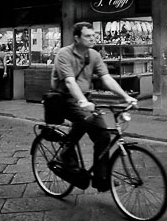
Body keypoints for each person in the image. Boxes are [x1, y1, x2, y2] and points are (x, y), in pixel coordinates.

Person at [51, 22, 137, 192]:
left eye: (93, 35)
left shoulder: (94, 55)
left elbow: (107, 78)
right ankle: (65, 153)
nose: (93, 39)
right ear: (77, 38)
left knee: (104, 135)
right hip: (65, 99)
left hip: (86, 99)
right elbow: (69, 81)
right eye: (88, 36)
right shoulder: (64, 54)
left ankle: (101, 178)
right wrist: (82, 101)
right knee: (85, 118)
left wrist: (126, 96)